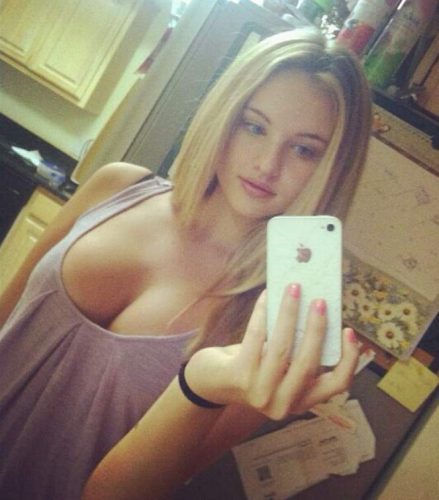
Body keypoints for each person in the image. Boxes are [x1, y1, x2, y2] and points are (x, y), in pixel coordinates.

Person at [0, 27, 371, 500]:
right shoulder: (118, 186)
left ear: (335, 168)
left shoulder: (277, 326)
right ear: (225, 114)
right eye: (254, 126)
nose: (267, 163)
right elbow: (7, 314)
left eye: (304, 150)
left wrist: (202, 388)